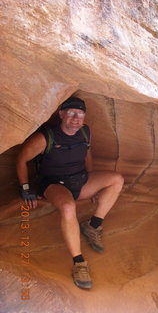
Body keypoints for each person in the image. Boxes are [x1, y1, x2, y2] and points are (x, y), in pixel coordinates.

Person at [16, 96, 124, 289]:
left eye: (80, 114)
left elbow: (87, 153)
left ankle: (93, 226)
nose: (76, 119)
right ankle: (79, 262)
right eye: (72, 113)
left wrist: (92, 181)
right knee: (67, 207)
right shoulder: (46, 137)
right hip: (54, 184)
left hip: (79, 180)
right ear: (61, 115)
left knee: (117, 179)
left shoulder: (85, 132)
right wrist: (25, 188)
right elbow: (21, 158)